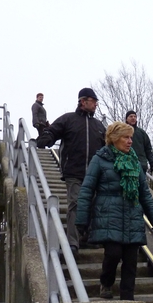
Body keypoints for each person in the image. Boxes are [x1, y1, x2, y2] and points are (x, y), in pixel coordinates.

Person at [75, 122, 153, 300]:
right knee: (113, 254)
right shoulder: (99, 159)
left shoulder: (134, 161)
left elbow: (144, 192)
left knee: (131, 261)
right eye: (126, 137)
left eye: (130, 137)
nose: (130, 141)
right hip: (109, 215)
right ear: (114, 139)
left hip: (132, 215)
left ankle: (127, 298)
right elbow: (86, 190)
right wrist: (82, 219)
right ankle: (106, 283)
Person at [36, 88, 106, 258]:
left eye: (96, 101)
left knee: (94, 205)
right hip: (73, 171)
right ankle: (72, 243)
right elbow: (52, 131)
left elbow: (108, 146)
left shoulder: (98, 125)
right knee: (75, 203)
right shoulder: (69, 119)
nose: (96, 104)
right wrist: (45, 139)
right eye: (93, 100)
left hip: (94, 174)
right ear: (83, 101)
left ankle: (88, 237)